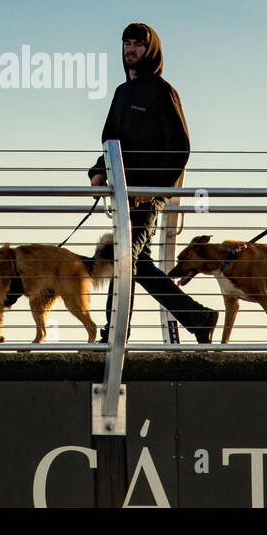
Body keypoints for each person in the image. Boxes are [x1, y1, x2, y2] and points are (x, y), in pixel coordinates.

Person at [89, 23, 218, 343]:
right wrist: (98, 171)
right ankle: (199, 318)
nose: (131, 49)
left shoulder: (163, 91)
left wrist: (153, 190)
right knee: (139, 263)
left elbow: (180, 148)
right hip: (123, 195)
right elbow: (111, 141)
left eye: (138, 44)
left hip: (147, 196)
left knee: (124, 259)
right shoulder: (121, 93)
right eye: (127, 43)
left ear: (151, 50)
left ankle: (113, 336)